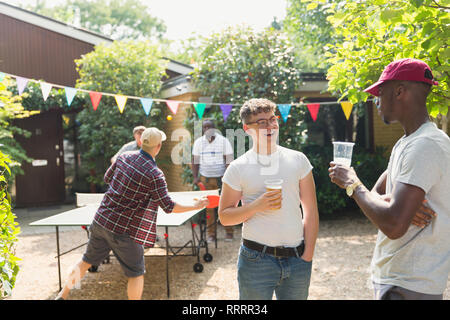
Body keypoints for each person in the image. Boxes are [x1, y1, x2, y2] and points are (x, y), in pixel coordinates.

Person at [328, 58, 450, 300]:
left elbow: (393, 225)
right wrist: (398, 206)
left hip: (409, 285)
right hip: (396, 281)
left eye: (379, 94)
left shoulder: (425, 145)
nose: (376, 103)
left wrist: (353, 183)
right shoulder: (406, 143)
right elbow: (374, 198)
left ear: (400, 92)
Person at [56, 127, 209, 300]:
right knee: (136, 273)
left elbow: (107, 178)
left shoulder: (123, 157)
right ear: (158, 146)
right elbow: (169, 206)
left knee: (85, 262)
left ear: (141, 141)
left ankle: (62, 296)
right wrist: (195, 206)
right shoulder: (155, 174)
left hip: (101, 221)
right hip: (126, 231)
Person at [218, 98, 319, 300]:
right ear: (247, 129)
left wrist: (308, 254)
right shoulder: (238, 167)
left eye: (272, 119)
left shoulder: (298, 160)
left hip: (297, 259)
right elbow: (225, 217)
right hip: (255, 260)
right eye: (261, 122)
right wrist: (257, 205)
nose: (270, 125)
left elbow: (310, 211)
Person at [192, 119, 234, 242]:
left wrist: (227, 176)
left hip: (221, 178)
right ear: (203, 130)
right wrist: (195, 177)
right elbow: (195, 161)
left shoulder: (223, 141)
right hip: (206, 179)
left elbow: (229, 160)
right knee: (209, 207)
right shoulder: (199, 142)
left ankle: (229, 232)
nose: (207, 129)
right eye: (205, 127)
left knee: (225, 205)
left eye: (209, 127)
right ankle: (211, 234)